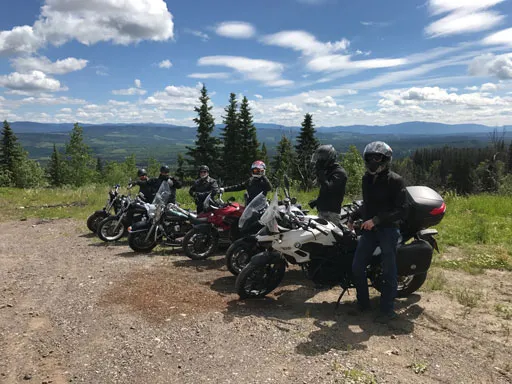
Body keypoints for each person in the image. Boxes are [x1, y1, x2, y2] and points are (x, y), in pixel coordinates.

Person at [349, 141, 408, 324]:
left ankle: (387, 310)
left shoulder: (395, 181)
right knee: (357, 266)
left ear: (385, 159)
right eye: (369, 158)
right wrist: (353, 216)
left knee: (388, 270)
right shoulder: (366, 179)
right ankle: (363, 304)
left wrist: (377, 220)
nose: (372, 161)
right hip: (370, 230)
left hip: (388, 230)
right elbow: (367, 203)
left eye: (377, 158)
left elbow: (402, 210)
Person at [308, 145, 348, 224]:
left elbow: (329, 189)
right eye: (319, 157)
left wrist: (321, 173)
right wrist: (317, 201)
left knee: (329, 235)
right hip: (323, 210)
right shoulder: (329, 170)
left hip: (331, 213)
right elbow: (326, 192)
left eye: (322, 157)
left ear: (330, 158)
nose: (319, 160)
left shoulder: (339, 173)